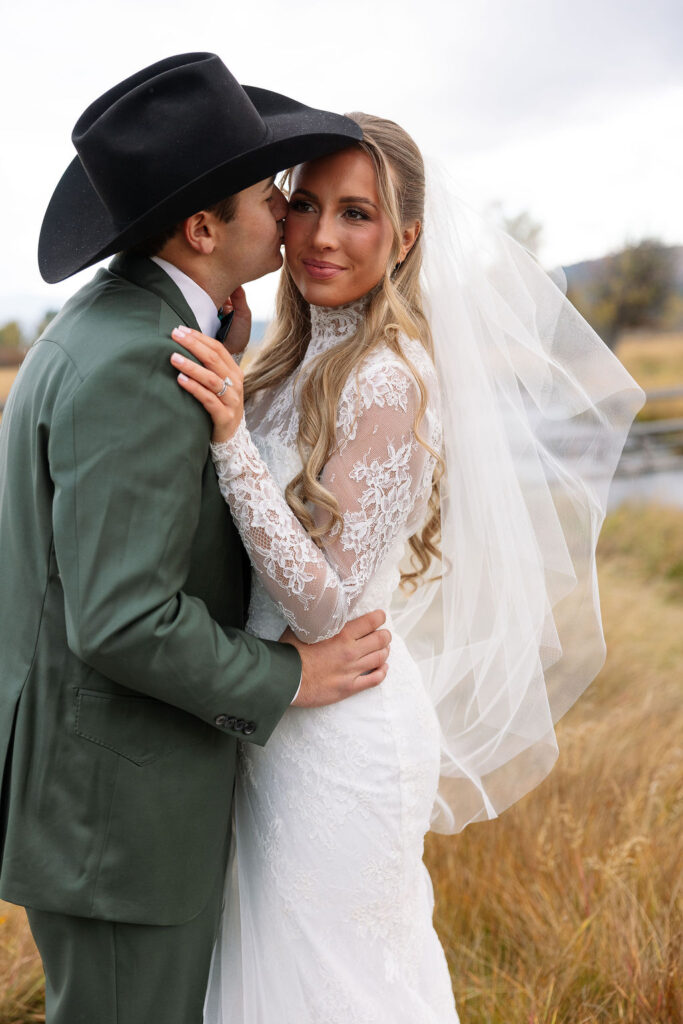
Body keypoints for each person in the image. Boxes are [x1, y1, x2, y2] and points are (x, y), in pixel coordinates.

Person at [173, 112, 644, 1022]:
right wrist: (235, 367)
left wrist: (232, 442)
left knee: (339, 987)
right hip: (272, 726)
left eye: (357, 213)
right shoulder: (284, 355)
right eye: (305, 204)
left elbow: (320, 606)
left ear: (406, 237)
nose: (318, 235)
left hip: (338, 743)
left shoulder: (390, 375)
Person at [0, 55, 393, 1024]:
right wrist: (286, 676)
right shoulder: (140, 364)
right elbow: (123, 618)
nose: (288, 216)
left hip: (102, 793)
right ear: (203, 226)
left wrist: (224, 326)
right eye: (271, 196)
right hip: (118, 818)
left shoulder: (115, 326)